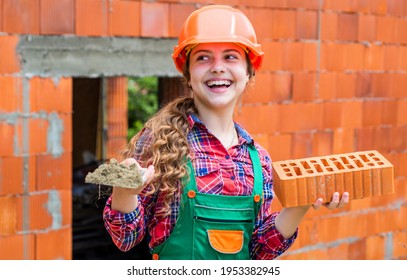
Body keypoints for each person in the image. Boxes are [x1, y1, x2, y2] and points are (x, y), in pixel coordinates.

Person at [103, 5, 349, 260]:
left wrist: (301, 204)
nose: (217, 67)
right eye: (203, 57)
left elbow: (258, 254)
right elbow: (126, 239)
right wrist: (124, 192)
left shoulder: (258, 161)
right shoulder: (161, 142)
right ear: (188, 74)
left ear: (248, 71)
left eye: (230, 57)